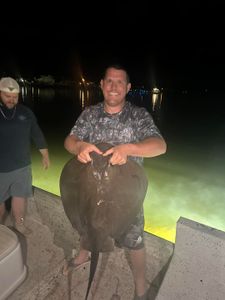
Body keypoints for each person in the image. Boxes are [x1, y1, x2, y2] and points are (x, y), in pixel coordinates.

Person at [63, 64, 167, 300]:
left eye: (120, 82)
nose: (114, 86)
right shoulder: (90, 114)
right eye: (109, 81)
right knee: (87, 226)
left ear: (128, 87)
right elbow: (70, 140)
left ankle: (140, 286)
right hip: (91, 190)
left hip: (126, 196)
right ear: (101, 84)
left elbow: (160, 146)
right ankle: (83, 255)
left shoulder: (137, 116)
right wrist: (78, 146)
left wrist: (129, 149)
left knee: (135, 240)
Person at [0, 77, 50, 235]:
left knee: (20, 196)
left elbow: (36, 133)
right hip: (1, 169)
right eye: (7, 96)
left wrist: (45, 155)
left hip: (23, 166)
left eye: (14, 97)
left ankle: (19, 224)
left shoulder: (25, 112)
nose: (11, 100)